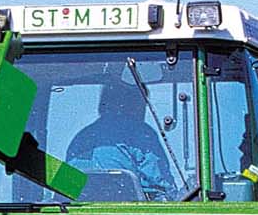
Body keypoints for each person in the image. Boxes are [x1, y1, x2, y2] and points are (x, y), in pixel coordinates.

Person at [66, 67, 187, 201]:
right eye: (143, 103)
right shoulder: (140, 133)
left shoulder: (81, 138)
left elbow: (66, 184)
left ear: (104, 104)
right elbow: (160, 185)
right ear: (135, 104)